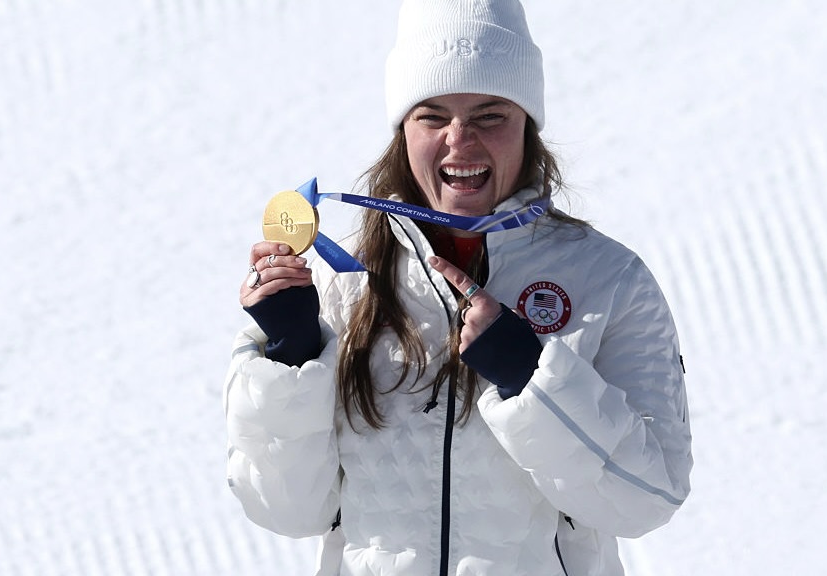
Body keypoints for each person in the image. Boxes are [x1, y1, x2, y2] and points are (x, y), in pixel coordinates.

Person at [223, 0, 692, 574]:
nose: (459, 139)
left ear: (528, 125)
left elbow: (649, 497)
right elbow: (287, 510)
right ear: (403, 130)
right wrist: (291, 355)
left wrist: (528, 376)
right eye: (433, 115)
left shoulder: (610, 280)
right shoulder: (339, 280)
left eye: (490, 115)